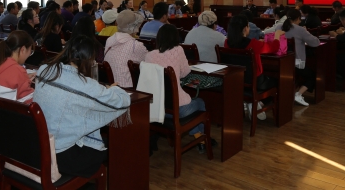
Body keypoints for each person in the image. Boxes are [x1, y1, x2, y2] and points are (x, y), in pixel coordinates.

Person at [34, 35, 130, 178]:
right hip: (62, 156)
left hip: (37, 147)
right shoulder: (85, 85)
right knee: (114, 147)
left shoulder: (44, 70)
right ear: (88, 59)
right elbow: (123, 101)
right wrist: (114, 89)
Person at [145, 24, 209, 152]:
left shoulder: (149, 55)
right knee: (200, 102)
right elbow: (185, 72)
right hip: (177, 110)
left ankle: (199, 137)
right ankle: (201, 140)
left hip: (156, 110)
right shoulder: (178, 50)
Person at [0, 31, 35, 139]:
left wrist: (24, 79)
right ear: (23, 49)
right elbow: (29, 105)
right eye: (30, 51)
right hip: (3, 131)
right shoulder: (17, 71)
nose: (28, 56)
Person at [224, 15, 284, 119]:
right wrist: (277, 35)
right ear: (245, 28)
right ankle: (257, 103)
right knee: (279, 81)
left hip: (236, 80)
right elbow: (274, 47)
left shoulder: (226, 43)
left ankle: (252, 102)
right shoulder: (252, 44)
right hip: (255, 81)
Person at [282, 9, 320, 106]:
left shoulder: (278, 27)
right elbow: (315, 43)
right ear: (298, 18)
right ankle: (298, 94)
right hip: (295, 63)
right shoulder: (300, 29)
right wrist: (306, 32)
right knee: (312, 76)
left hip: (281, 62)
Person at [104, 10, 146, 87]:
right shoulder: (135, 45)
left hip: (110, 85)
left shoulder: (109, 40)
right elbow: (148, 61)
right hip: (127, 88)